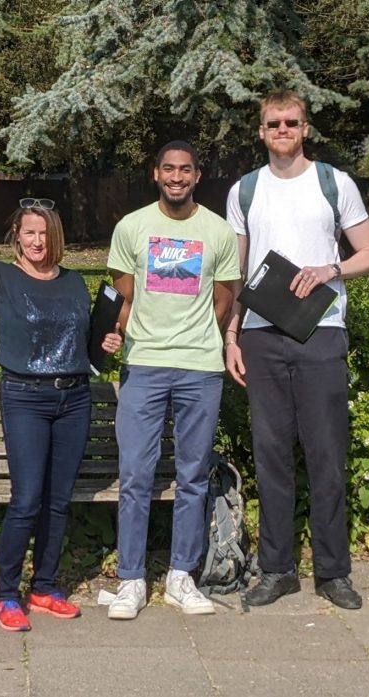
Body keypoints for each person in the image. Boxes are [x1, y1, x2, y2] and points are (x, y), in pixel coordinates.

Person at [225, 90, 369, 610]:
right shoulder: (244, 191)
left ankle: (334, 573)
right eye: (274, 123)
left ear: (306, 127)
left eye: (291, 121)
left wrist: (329, 269)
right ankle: (277, 569)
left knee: (326, 455)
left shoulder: (333, 183)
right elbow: (237, 273)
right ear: (261, 131)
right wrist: (232, 334)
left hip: (322, 331)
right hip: (262, 336)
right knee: (271, 456)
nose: (283, 130)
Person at [0, 175, 122, 632]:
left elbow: (85, 345)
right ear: (17, 237)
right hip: (25, 398)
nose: (37, 240)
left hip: (74, 398)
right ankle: (7, 593)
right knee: (27, 499)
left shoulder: (73, 282)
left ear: (54, 237)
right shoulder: (1, 278)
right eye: (29, 232)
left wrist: (105, 340)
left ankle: (44, 587)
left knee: (59, 501)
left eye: (44, 233)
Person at [106, 141, 241, 620]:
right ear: (155, 173)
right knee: (136, 477)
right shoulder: (133, 227)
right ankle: (131, 579)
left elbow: (224, 298)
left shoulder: (219, 232)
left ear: (197, 176)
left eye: (185, 169)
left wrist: (198, 334)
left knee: (192, 477)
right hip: (143, 364)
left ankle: (182, 577)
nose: (177, 176)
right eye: (169, 169)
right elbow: (124, 288)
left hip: (200, 368)